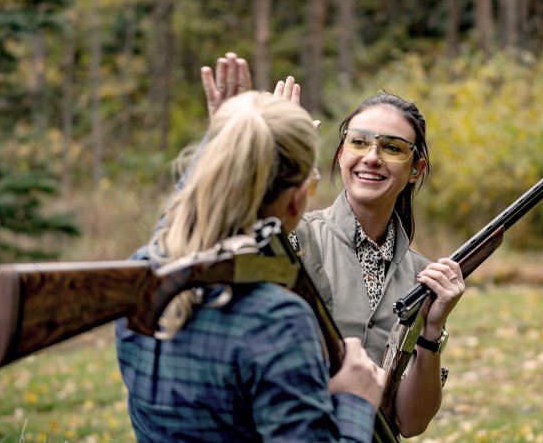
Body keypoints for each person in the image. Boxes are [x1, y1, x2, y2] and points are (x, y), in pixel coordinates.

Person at [197, 55, 466, 437]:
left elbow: (410, 423)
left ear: (416, 169)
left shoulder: (421, 277)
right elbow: (235, 238)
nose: (371, 157)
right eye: (359, 142)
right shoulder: (294, 234)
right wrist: (262, 158)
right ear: (341, 154)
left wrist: (432, 329)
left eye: (392, 147)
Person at [115, 90, 387, 442]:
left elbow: (178, 216)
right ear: (296, 200)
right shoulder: (276, 321)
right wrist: (356, 400)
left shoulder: (138, 274)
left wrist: (232, 134)